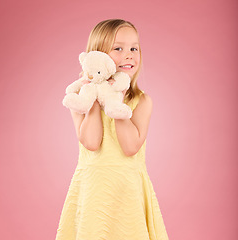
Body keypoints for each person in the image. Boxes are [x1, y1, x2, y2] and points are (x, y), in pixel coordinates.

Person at [55, 19, 169, 240]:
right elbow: (91, 142)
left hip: (127, 190)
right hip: (93, 189)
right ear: (98, 56)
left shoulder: (142, 101)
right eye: (118, 48)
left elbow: (130, 147)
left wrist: (115, 100)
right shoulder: (80, 100)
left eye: (134, 48)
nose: (129, 54)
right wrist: (96, 98)